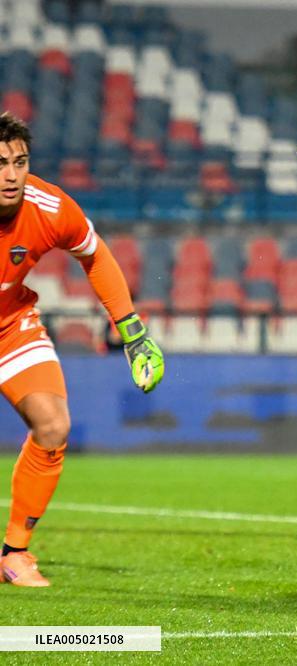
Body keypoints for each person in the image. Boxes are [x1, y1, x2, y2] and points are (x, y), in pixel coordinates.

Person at [0, 112, 164, 585]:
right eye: (1, 164)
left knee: (53, 425)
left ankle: (15, 554)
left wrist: (132, 332)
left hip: (10, 325)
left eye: (20, 162)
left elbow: (94, 255)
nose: (12, 176)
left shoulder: (49, 207)